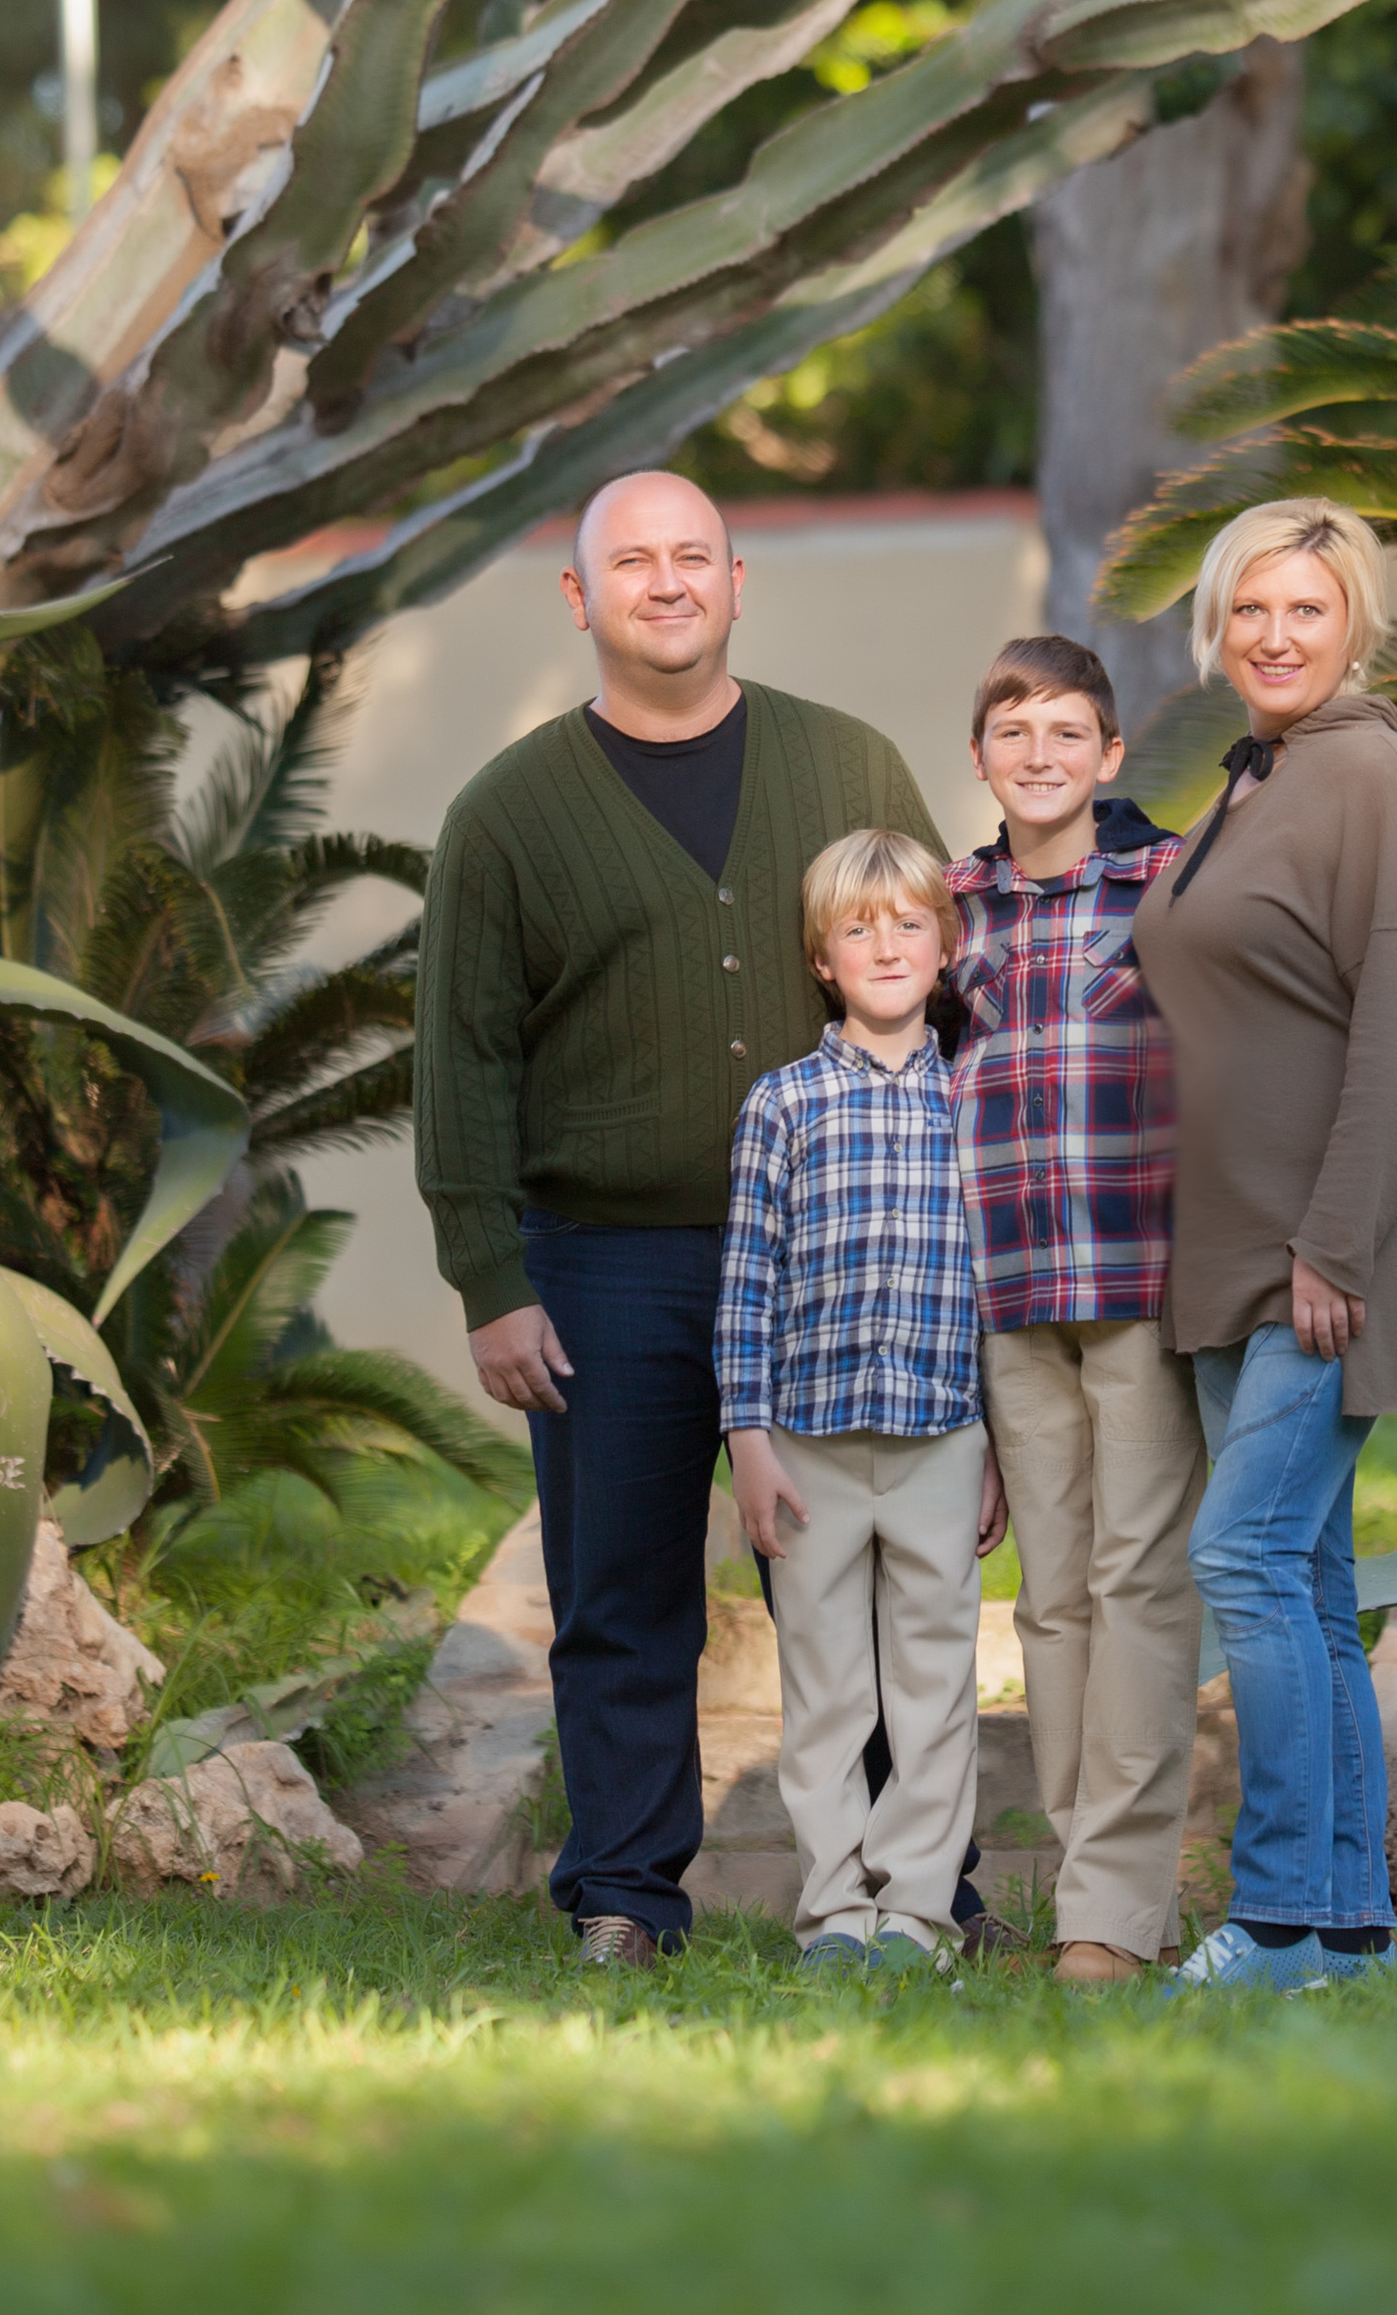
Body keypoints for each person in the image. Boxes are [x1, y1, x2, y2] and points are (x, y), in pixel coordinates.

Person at [413, 469, 944, 1972]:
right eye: (630, 562)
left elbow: (942, 997)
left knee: (853, 1583)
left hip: (838, 1259)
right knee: (622, 1595)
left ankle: (912, 1888)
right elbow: (463, 1059)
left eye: (692, 556)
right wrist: (489, 1275)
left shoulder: (851, 767)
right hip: (604, 1264)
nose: (665, 583)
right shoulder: (508, 813)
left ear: (736, 581)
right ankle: (626, 1895)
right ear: (578, 600)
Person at [1130, 499, 1397, 1996]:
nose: (1272, 636)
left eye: (1304, 612)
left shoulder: (1379, 780)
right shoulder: (1249, 785)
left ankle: (1269, 1918)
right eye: (1248, 610)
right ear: (1216, 624)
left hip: (1324, 1256)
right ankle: (1343, 1927)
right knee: (1310, 1584)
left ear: (1356, 626)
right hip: (1230, 1250)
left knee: (1243, 1555)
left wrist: (1332, 1243)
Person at [947, 634, 1204, 1987]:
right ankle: (1083, 1859)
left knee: (1139, 1584)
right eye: (1013, 733)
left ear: (1108, 758)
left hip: (1141, 1288)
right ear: (981, 757)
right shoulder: (951, 910)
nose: (1039, 756)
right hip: (1008, 1297)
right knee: (1050, 1599)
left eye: (1066, 734)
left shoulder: (1165, 882)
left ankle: (1114, 1909)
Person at [718, 831, 1007, 1975]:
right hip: (808, 1443)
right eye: (857, 927)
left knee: (934, 1688)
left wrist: (995, 1443)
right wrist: (748, 1437)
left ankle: (921, 1918)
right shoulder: (780, 1105)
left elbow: (1000, 1286)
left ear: (945, 948)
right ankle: (836, 1912)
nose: (884, 944)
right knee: (829, 1692)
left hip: (943, 1434)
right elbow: (746, 1280)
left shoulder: (975, 1100)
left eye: (907, 923)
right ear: (822, 960)